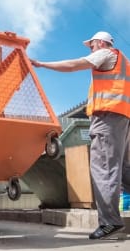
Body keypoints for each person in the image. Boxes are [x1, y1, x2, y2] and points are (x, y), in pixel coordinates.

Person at [31, 31, 130, 240]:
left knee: (104, 170)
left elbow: (74, 65)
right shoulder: (124, 63)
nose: (91, 49)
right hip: (121, 119)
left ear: (101, 42)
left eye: (91, 45)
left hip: (107, 118)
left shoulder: (106, 53)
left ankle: (110, 222)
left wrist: (41, 64)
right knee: (125, 170)